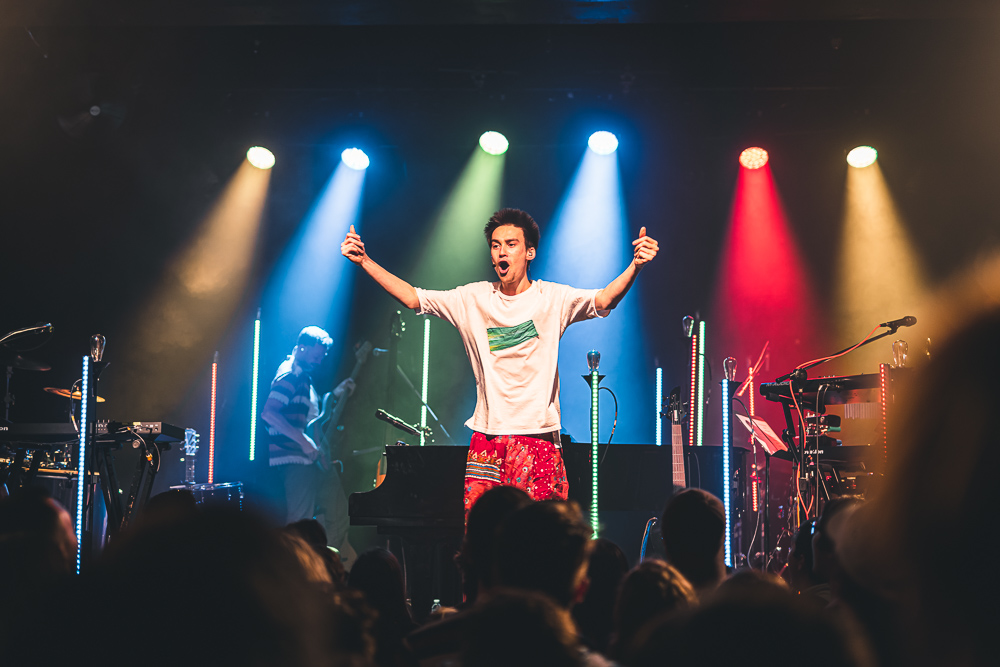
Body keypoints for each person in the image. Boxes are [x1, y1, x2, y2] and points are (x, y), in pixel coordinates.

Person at [342, 208, 658, 515]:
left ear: (529, 252)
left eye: (510, 244)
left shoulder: (552, 299)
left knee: (541, 537)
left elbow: (604, 300)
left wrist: (636, 266)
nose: (501, 253)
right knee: (485, 537)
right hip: (488, 440)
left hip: (538, 437)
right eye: (495, 246)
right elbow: (414, 297)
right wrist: (364, 261)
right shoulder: (473, 299)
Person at [262, 326, 356, 559]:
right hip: (296, 460)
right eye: (317, 355)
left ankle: (324, 566)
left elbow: (313, 418)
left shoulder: (302, 376)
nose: (320, 361)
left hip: (309, 459)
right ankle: (296, 573)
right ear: (301, 348)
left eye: (322, 356)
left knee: (332, 515)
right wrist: (303, 441)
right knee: (300, 521)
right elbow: (269, 413)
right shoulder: (291, 374)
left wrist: (334, 394)